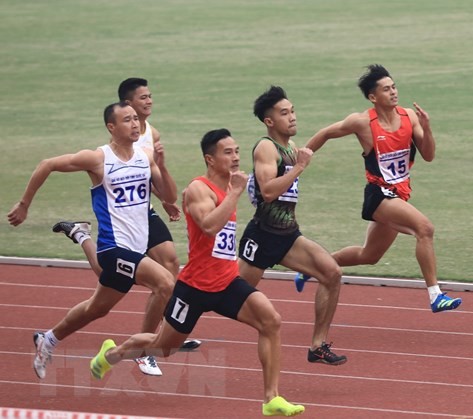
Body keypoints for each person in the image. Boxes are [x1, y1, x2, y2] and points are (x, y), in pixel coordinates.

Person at [90, 129, 305, 417]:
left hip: (227, 282)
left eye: (237, 151)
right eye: (227, 152)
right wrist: (235, 193)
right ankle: (112, 354)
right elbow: (209, 226)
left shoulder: (231, 185)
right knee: (162, 347)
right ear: (210, 159)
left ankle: (271, 398)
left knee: (271, 321)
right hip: (195, 288)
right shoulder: (198, 189)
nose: (236, 157)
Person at [7, 102, 178, 380]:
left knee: (96, 309)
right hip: (114, 248)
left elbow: (168, 195)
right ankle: (144, 351)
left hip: (135, 247)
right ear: (112, 127)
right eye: (127, 120)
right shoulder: (98, 158)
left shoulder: (146, 156)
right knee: (165, 283)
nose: (135, 124)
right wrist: (24, 204)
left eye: (136, 119)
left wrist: (162, 165)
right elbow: (46, 164)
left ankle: (48, 339)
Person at [51, 78, 200, 376]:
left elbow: (151, 176)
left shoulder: (152, 135)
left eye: (150, 97)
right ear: (126, 107)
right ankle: (148, 346)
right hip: (121, 221)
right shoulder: (106, 151)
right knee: (159, 280)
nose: (148, 103)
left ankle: (159, 335)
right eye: (141, 99)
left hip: (145, 213)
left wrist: (167, 199)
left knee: (168, 266)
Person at [296, 64, 462, 313]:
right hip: (378, 194)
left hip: (399, 194)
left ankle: (314, 267)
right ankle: (435, 295)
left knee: (369, 256)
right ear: (373, 97)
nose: (394, 92)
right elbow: (326, 133)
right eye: (386, 89)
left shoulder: (410, 117)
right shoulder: (362, 122)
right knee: (424, 229)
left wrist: (427, 128)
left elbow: (428, 155)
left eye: (394, 86)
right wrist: (300, 161)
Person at [239, 86, 346, 366]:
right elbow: (267, 192)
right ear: (269, 121)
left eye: (293, 110)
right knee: (222, 296)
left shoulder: (291, 148)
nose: (292, 117)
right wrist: (299, 168)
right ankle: (171, 327)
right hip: (262, 237)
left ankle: (318, 346)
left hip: (287, 235)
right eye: (284, 113)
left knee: (331, 273)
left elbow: (312, 146)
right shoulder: (266, 147)